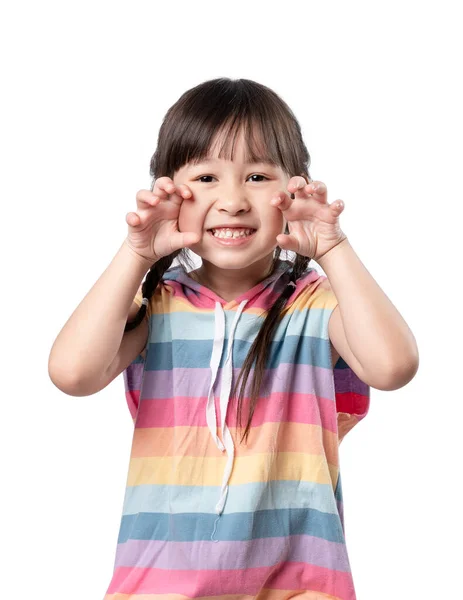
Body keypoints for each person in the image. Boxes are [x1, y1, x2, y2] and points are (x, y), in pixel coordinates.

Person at [48, 77, 419, 600]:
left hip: (298, 587)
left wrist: (333, 247)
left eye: (257, 176)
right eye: (205, 176)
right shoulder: (156, 304)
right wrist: (136, 254)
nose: (232, 200)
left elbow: (393, 366)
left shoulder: (315, 306)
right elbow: (72, 373)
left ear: (294, 189)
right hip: (159, 587)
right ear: (168, 190)